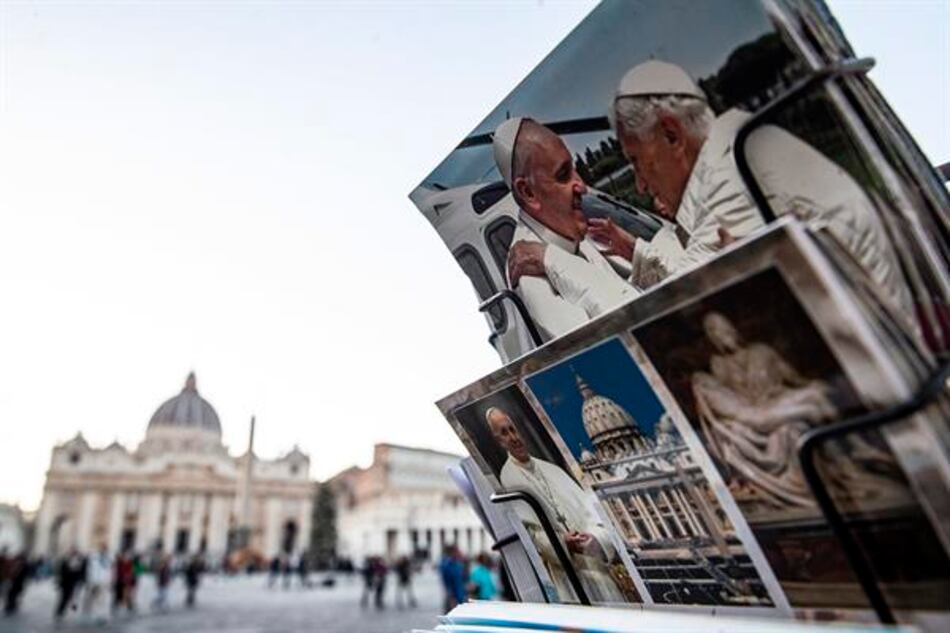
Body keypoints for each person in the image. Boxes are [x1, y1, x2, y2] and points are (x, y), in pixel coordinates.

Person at [588, 60, 906, 309]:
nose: (640, 185)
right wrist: (637, 252)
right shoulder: (738, 148)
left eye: (636, 161)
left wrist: (555, 263)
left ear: (672, 135)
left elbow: (682, 306)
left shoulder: (736, 173)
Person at [691, 311, 903, 509]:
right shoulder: (717, 369)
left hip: (773, 401)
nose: (721, 334)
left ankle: (858, 449)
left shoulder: (761, 351)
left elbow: (792, 377)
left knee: (816, 394)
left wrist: (808, 384)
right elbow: (733, 411)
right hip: (759, 413)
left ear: (732, 328)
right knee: (810, 409)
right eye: (713, 331)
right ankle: (848, 463)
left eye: (722, 327)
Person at [492, 117, 639, 341]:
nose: (582, 186)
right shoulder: (530, 278)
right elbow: (626, 335)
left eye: (575, 170)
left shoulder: (569, 235)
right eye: (563, 175)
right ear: (528, 192)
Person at [485, 406, 624, 603]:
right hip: (569, 580)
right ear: (499, 441)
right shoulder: (507, 479)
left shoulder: (553, 470)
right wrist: (562, 542)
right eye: (504, 433)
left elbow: (592, 513)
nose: (513, 437)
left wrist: (595, 538)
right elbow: (533, 536)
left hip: (600, 570)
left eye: (513, 429)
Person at [54, 548, 86, 622]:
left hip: (72, 583)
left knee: (68, 597)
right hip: (65, 582)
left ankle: (63, 611)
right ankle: (59, 612)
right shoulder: (65, 560)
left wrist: (77, 574)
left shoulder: (78, 562)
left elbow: (79, 572)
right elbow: (62, 571)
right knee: (63, 597)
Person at [83, 544, 112, 622]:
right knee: (90, 598)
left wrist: (109, 581)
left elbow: (109, 571)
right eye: (103, 548)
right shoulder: (94, 557)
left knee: (101, 599)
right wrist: (89, 580)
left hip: (103, 581)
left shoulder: (109, 558)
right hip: (93, 581)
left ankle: (100, 615)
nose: (104, 550)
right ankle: (87, 612)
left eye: (105, 548)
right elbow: (89, 569)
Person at [438, 545, 466, 613]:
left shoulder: (458, 564)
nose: (460, 553)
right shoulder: (447, 565)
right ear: (452, 553)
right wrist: (451, 597)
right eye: (457, 551)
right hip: (453, 597)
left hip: (460, 595)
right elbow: (447, 582)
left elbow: (463, 580)